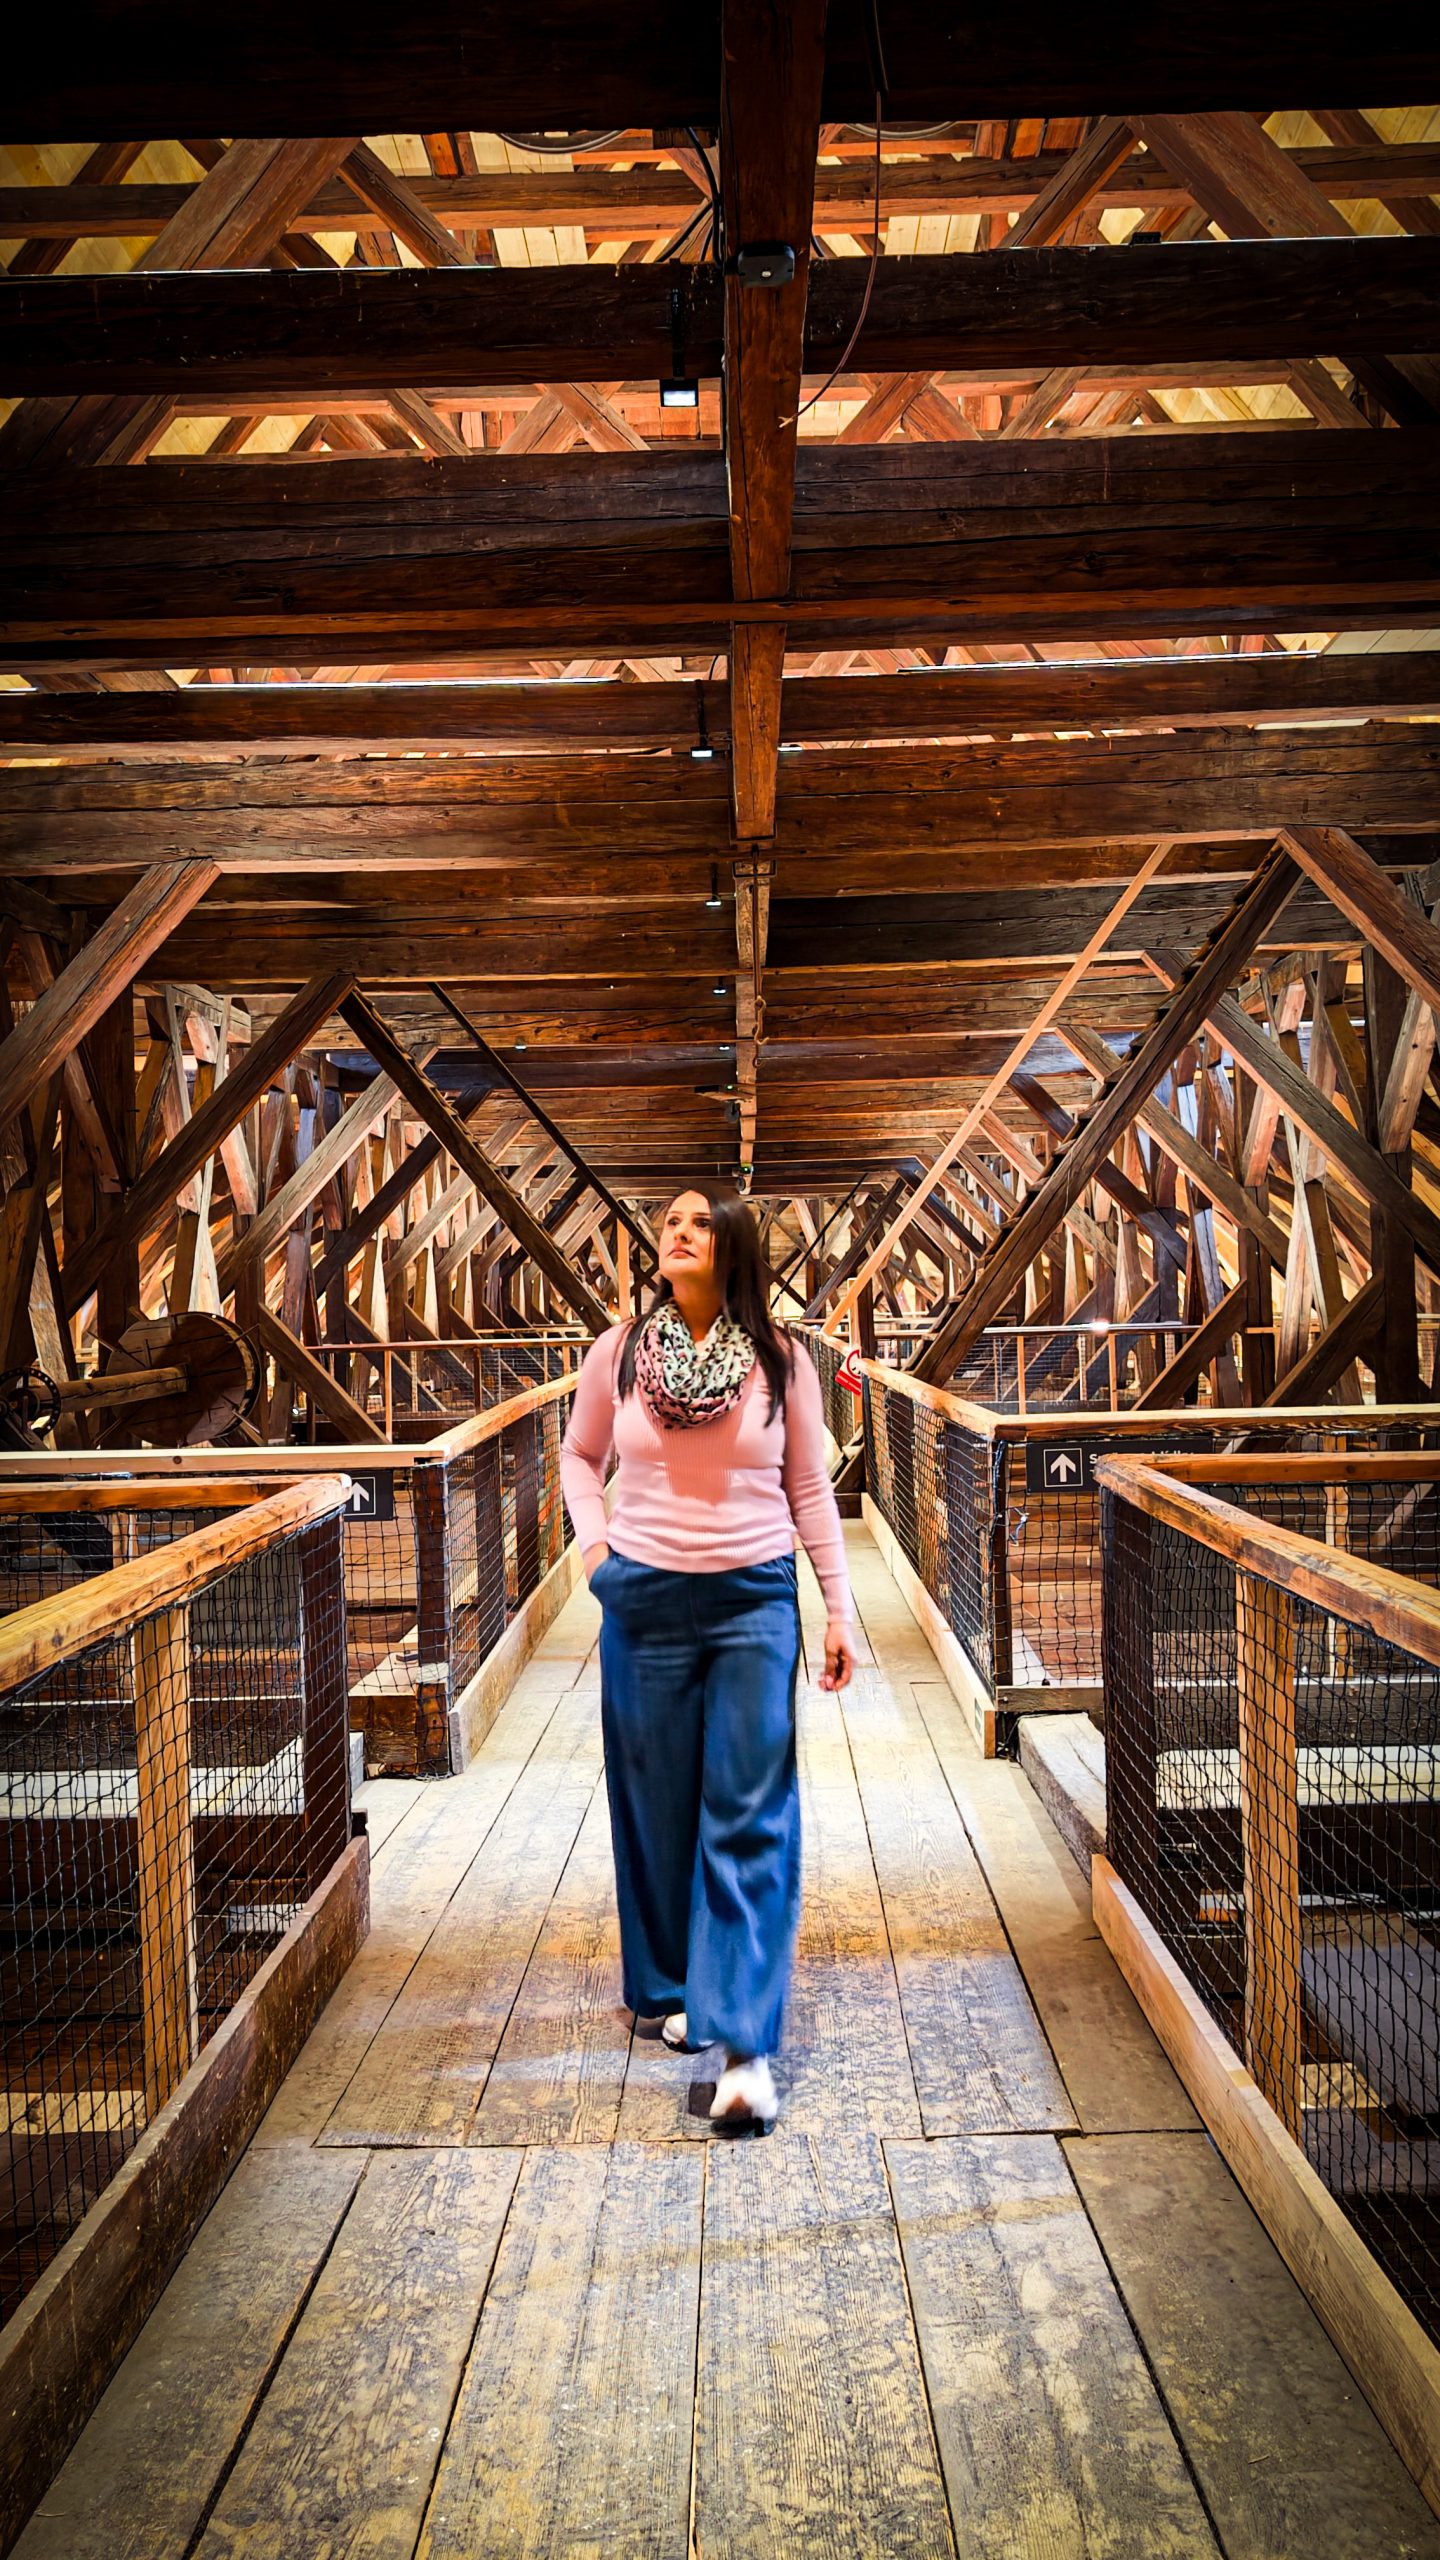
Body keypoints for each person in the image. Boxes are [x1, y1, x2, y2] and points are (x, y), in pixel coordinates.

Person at [560, 1185, 856, 2132]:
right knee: (654, 1803)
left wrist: (838, 1609)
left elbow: (809, 1485)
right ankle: (673, 1983)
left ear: (730, 1248)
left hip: (751, 1599)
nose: (675, 1232)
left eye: (696, 1222)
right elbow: (577, 1456)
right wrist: (600, 1555)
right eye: (668, 1223)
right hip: (642, 1597)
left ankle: (744, 2047)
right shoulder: (620, 1355)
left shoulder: (782, 1361)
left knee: (748, 1807)